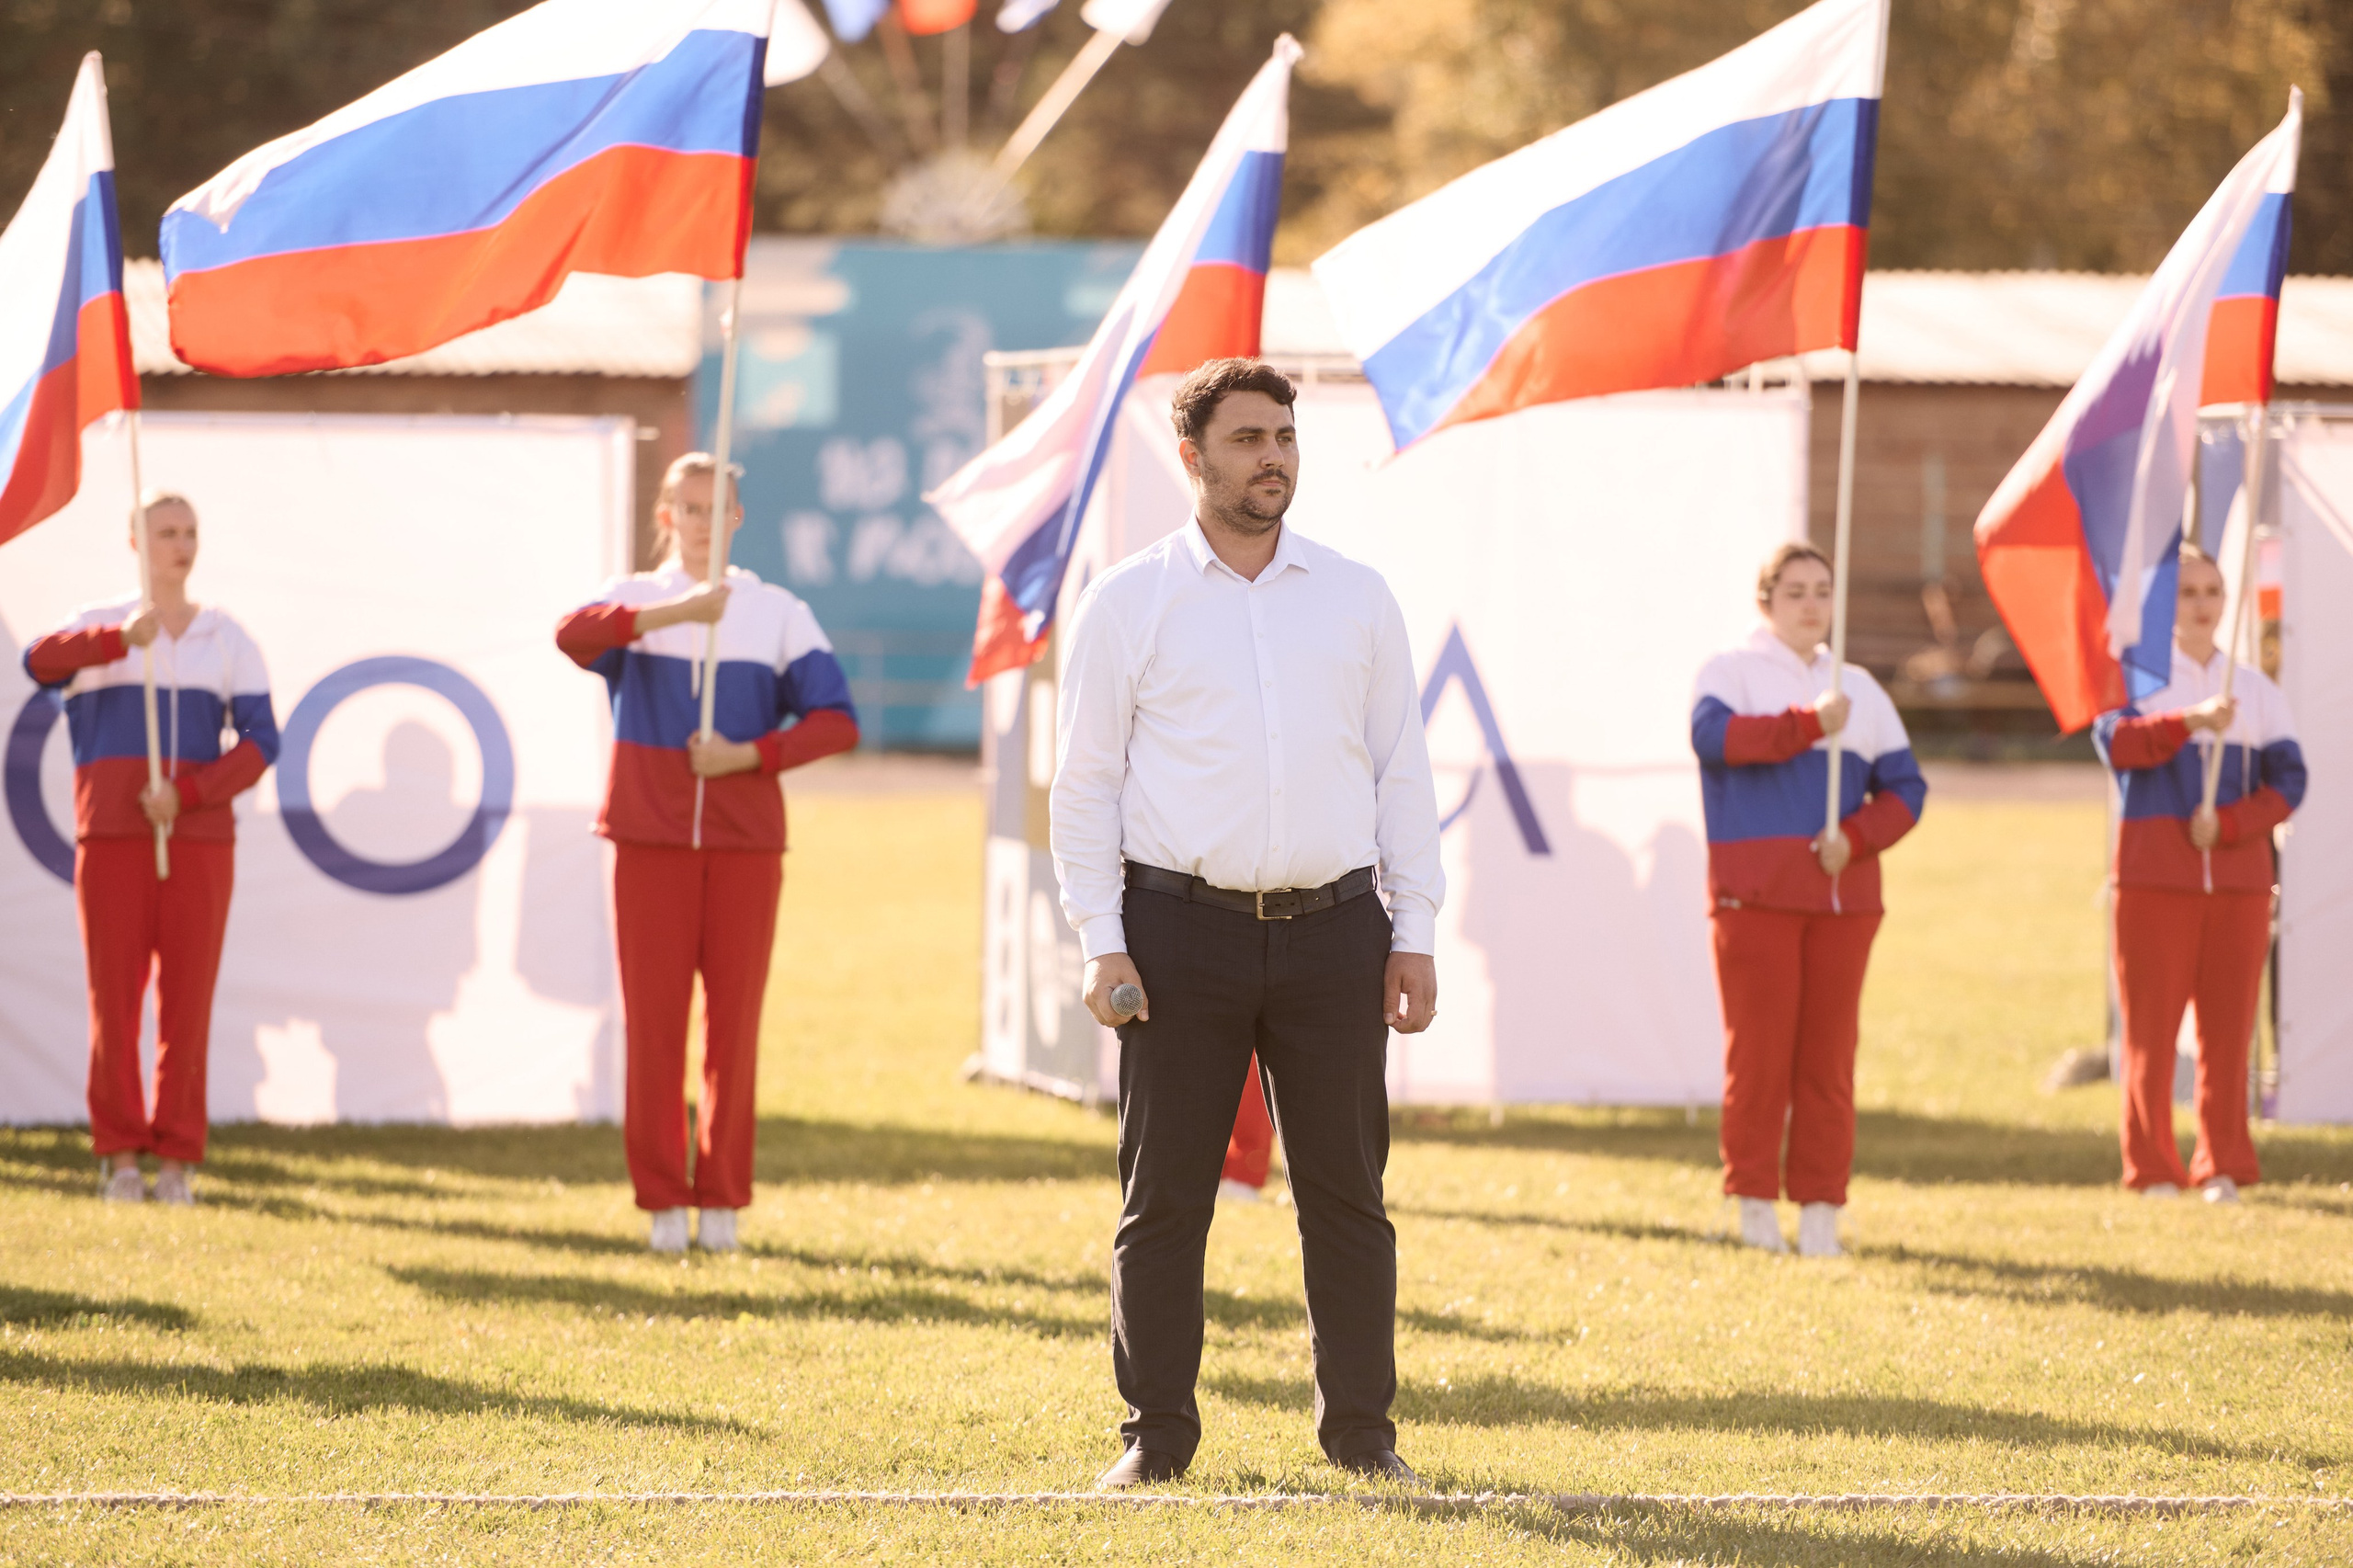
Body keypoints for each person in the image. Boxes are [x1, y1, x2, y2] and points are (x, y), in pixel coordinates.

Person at [1052, 358, 1444, 1489]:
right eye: (1245, 439)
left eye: (1283, 435)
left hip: (1336, 935)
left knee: (1346, 1196)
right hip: (1175, 935)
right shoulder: (1128, 600)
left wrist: (1411, 925)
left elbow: (1399, 771)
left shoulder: (1357, 595)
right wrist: (1099, 937)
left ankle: (1364, 1435)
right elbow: (1082, 786)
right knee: (1165, 1195)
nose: (1272, 455)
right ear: (1192, 458)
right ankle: (1155, 1438)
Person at [555, 453, 858, 1255]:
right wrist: (674, 615)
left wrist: (746, 755)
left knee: (734, 1027)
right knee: (654, 1028)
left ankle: (721, 1201)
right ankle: (661, 1201)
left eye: (713, 507)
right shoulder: (635, 598)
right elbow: (570, 636)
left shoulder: (778, 611)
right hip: (647, 843)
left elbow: (836, 721)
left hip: (745, 847)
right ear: (666, 516)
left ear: (736, 518)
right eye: (685, 507)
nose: (698, 520)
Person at [23, 492, 278, 1205]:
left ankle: (177, 1162)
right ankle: (121, 1157)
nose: (181, 544)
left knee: (187, 1005)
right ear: (134, 540)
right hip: (110, 840)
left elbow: (265, 741)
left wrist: (190, 794)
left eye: (191, 531)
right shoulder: (98, 624)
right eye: (166, 531)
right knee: (115, 1003)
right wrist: (115, 644)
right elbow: (38, 664)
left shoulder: (227, 637)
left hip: (197, 843)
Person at [1691, 542, 1926, 1257]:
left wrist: (1854, 839)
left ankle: (1822, 1207)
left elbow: (1906, 790)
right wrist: (1806, 724)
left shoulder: (1860, 688)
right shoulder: (1728, 672)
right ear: (1766, 601)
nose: (1811, 603)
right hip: (1753, 900)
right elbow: (1712, 739)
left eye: (1822, 589)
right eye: (1795, 591)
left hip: (1840, 903)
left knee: (1828, 1061)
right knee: (1758, 1059)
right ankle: (1756, 1204)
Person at [2092, 542, 2302, 1202]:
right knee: (2151, 1032)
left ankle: (2223, 1164)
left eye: (2212, 591)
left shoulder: (2257, 689)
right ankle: (2152, 1166)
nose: (2204, 604)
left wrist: (2235, 826)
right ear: (2163, 605)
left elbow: (2290, 780)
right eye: (2188, 593)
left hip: (2238, 886)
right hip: (2154, 880)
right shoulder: (2133, 679)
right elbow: (2118, 746)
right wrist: (2188, 721)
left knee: (2229, 1029)